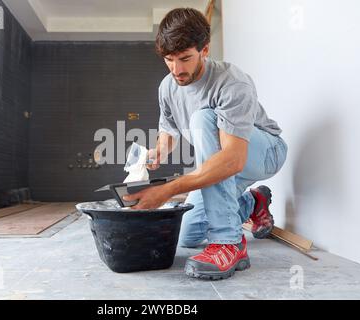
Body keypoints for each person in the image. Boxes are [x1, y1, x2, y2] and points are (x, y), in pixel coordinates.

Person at [123, 8, 288, 280]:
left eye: (185, 58)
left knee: (202, 118)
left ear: (205, 50)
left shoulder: (231, 82)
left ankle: (228, 243)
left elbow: (233, 160)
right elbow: (169, 131)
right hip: (225, 162)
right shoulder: (167, 87)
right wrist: (157, 152)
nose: (177, 69)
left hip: (264, 152)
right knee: (188, 234)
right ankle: (253, 202)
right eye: (169, 60)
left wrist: (168, 190)